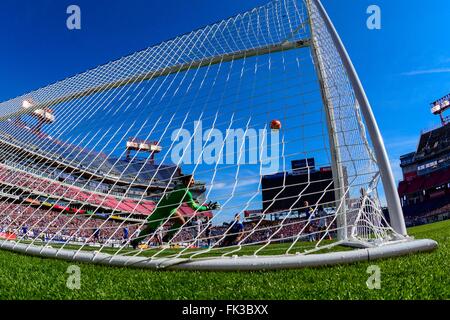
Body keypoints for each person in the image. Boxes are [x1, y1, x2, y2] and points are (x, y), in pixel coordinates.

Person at [130, 174, 220, 249]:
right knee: (150, 229)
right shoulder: (186, 192)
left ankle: (166, 238)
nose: (193, 182)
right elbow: (194, 207)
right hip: (162, 209)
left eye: (193, 180)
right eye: (191, 180)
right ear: (185, 181)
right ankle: (135, 242)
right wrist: (207, 207)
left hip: (170, 208)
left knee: (181, 221)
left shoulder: (179, 187)